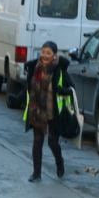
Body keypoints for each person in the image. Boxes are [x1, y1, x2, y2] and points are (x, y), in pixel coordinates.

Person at [22, 41, 75, 183]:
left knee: (52, 142)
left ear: (54, 56)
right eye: (43, 52)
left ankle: (59, 162)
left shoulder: (59, 70)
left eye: (48, 53)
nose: (45, 55)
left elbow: (71, 88)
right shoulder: (34, 68)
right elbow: (29, 88)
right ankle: (36, 173)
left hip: (53, 113)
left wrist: (61, 90)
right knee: (37, 141)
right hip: (37, 111)